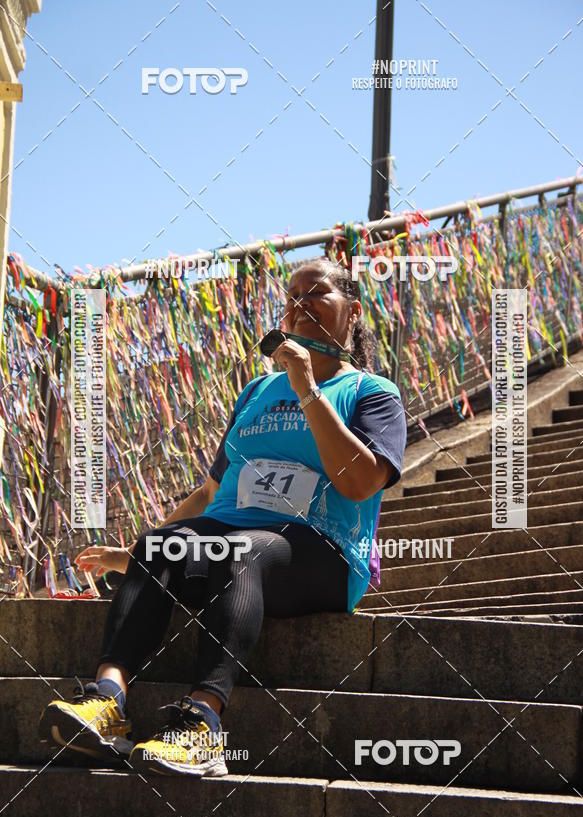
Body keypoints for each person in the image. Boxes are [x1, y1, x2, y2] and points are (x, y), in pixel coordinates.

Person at [38, 258, 407, 777]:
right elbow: (211, 492)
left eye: (316, 293)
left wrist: (307, 388)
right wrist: (141, 552)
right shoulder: (255, 393)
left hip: (318, 551)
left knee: (240, 551)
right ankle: (106, 704)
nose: (299, 305)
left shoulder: (373, 394)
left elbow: (359, 482)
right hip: (231, 534)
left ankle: (201, 728)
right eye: (292, 296)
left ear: (353, 312)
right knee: (163, 547)